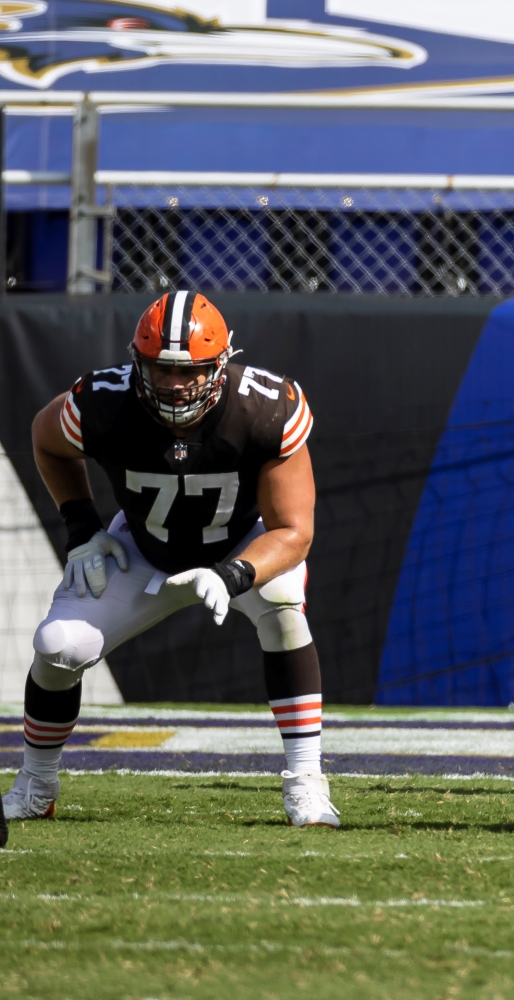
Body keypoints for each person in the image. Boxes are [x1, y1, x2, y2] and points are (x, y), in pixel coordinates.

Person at [4, 291, 337, 829]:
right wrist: (83, 529)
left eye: (192, 371)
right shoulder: (103, 401)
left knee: (281, 604)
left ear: (222, 363)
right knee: (58, 646)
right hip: (141, 546)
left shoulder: (264, 408)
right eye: (161, 368)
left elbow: (293, 532)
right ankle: (36, 785)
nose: (175, 383)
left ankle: (305, 782)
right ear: (139, 362)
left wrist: (233, 574)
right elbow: (47, 440)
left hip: (238, 544)